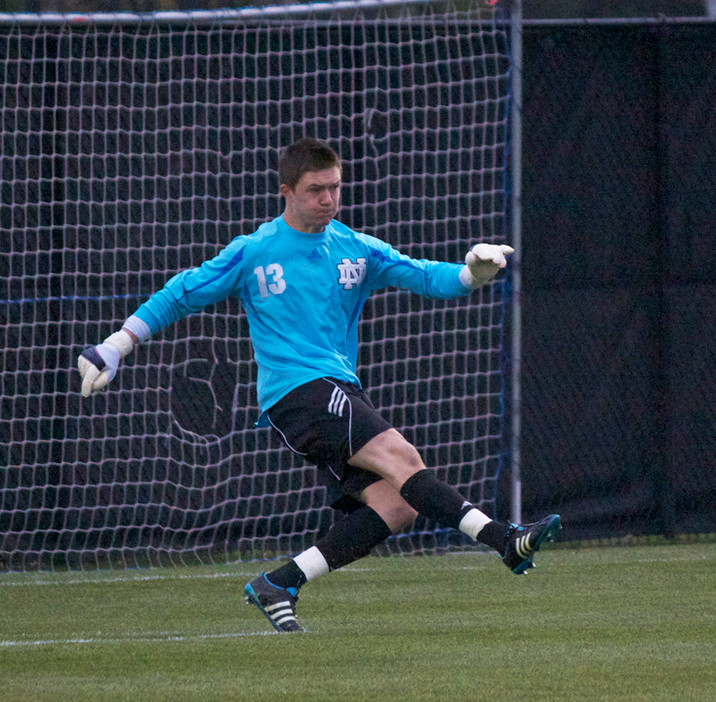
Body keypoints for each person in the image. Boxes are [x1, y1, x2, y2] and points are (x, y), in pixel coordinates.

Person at [77, 137, 561, 633]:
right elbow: (181, 293)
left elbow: (426, 276)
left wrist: (472, 274)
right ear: (286, 191)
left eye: (335, 188)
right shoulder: (255, 251)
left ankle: (279, 583)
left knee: (397, 505)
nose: (328, 199)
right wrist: (116, 345)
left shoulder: (356, 247)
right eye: (315, 190)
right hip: (298, 392)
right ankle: (504, 540)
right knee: (401, 456)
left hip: (338, 389)